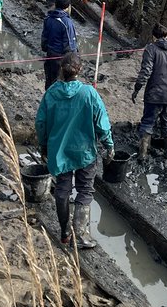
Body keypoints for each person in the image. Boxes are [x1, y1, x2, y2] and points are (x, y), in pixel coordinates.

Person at [35, 50, 114, 249]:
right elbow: (102, 123)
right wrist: (109, 145)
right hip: (85, 151)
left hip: (60, 151)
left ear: (61, 69)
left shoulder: (51, 93)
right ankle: (82, 236)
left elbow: (41, 123)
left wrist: (43, 145)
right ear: (79, 70)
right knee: (85, 190)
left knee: (62, 190)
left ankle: (65, 233)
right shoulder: (89, 93)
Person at [132, 23, 167, 160]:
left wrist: (137, 88)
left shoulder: (151, 49)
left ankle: (142, 155)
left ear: (154, 37)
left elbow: (145, 72)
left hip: (155, 95)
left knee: (148, 123)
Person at [40, 0, 78, 89]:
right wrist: (73, 57)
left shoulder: (48, 18)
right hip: (61, 59)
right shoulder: (67, 22)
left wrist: (45, 48)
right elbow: (70, 44)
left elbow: (44, 37)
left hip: (50, 55)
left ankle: (49, 99)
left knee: (50, 81)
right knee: (61, 83)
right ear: (67, 6)